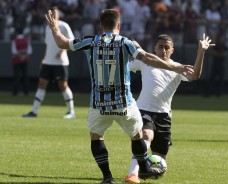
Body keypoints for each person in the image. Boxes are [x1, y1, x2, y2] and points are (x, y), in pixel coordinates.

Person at [45, 8, 195, 184]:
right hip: (124, 102)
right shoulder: (125, 43)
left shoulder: (90, 42)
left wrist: (55, 27)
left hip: (99, 103)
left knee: (96, 137)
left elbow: (62, 43)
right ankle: (144, 168)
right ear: (118, 25)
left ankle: (107, 177)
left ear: (101, 25)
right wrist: (174, 67)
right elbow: (147, 57)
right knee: (138, 135)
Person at [125, 33, 215, 184]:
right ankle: (132, 174)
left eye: (167, 47)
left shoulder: (177, 67)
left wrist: (201, 51)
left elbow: (195, 76)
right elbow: (125, 66)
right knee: (146, 136)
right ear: (155, 48)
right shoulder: (145, 62)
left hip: (164, 116)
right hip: (144, 110)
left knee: (159, 158)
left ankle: (144, 172)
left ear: (172, 50)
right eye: (160, 47)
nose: (164, 50)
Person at [23, 6, 75, 119]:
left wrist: (61, 51)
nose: (53, 15)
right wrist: (44, 58)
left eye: (55, 13)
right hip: (48, 61)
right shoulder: (47, 27)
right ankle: (34, 111)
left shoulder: (64, 26)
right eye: (50, 13)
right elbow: (48, 45)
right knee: (41, 84)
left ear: (59, 14)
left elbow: (71, 41)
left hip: (61, 62)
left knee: (63, 85)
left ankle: (71, 112)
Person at [11, 26, 33, 96]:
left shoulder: (14, 40)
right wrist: (24, 56)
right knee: (25, 76)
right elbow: (29, 51)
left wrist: (20, 55)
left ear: (16, 32)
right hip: (25, 60)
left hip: (16, 60)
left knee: (16, 76)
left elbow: (14, 51)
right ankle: (26, 92)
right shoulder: (27, 40)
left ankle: (15, 92)